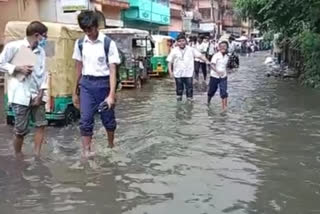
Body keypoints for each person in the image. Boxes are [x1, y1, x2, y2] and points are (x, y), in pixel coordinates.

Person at [72, 11, 120, 157]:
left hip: (104, 84)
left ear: (96, 26)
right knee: (85, 120)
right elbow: (78, 67)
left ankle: (111, 145)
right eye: (85, 30)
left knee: (108, 119)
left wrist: (111, 95)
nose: (89, 33)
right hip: (86, 84)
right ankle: (87, 152)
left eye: (91, 29)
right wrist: (75, 91)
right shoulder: (80, 43)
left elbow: (112, 70)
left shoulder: (108, 43)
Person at [0, 21, 48, 157]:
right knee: (21, 130)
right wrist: (17, 68)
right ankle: (18, 155)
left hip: (36, 93)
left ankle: (37, 155)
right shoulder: (13, 47)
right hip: (20, 95)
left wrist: (41, 93)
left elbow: (43, 73)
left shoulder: (41, 51)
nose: (45, 39)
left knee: (41, 124)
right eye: (44, 36)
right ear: (36, 35)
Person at [167, 33, 211, 101]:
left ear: (185, 41)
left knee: (189, 89)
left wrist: (207, 61)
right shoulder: (174, 50)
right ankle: (179, 104)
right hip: (178, 74)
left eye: (183, 41)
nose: (181, 43)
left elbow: (200, 56)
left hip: (188, 74)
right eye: (179, 41)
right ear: (177, 42)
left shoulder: (191, 49)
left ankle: (189, 105)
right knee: (179, 90)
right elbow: (169, 62)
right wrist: (170, 72)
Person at [208, 41, 230, 111]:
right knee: (211, 91)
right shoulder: (216, 55)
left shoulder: (227, 57)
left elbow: (226, 66)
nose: (223, 47)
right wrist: (217, 71)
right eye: (221, 46)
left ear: (227, 48)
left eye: (225, 46)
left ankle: (224, 108)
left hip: (223, 77)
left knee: (224, 92)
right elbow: (212, 65)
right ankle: (208, 101)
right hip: (214, 76)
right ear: (219, 48)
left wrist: (227, 72)